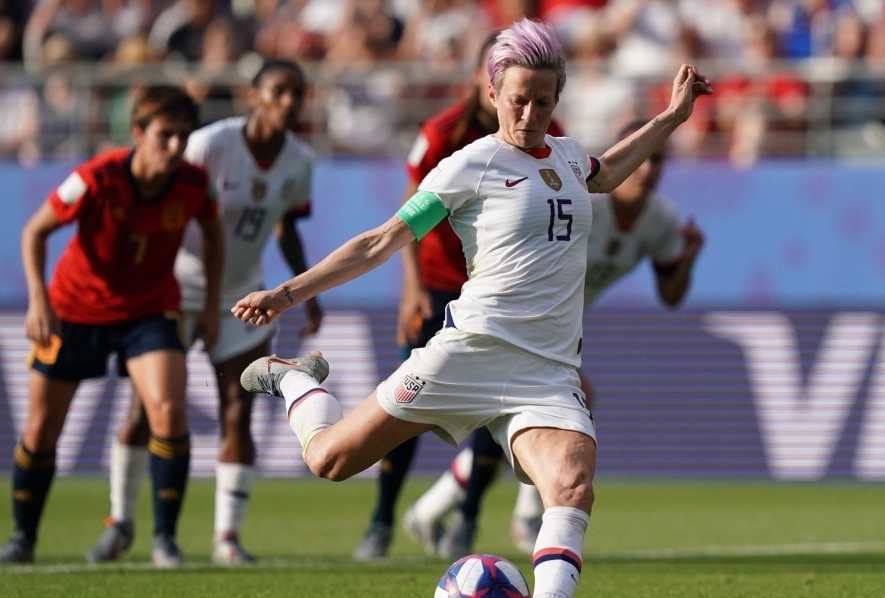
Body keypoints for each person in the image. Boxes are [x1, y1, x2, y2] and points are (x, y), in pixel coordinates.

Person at [234, 19, 710, 598]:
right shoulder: (469, 165)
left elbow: (609, 172)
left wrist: (672, 116)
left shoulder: (568, 158)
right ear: (493, 94)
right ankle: (296, 381)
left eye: (543, 100)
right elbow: (381, 241)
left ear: (557, 97)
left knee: (572, 479)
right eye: (518, 99)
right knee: (330, 460)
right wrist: (287, 293)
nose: (530, 112)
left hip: (547, 368)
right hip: (469, 352)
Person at [407, 118, 706, 559]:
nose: (647, 169)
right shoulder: (583, 199)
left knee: (536, 421)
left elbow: (671, 296)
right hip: (512, 322)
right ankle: (523, 513)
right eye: (642, 158)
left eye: (658, 160)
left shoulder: (661, 220)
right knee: (558, 412)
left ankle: (434, 510)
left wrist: (688, 260)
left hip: (557, 333)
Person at [87, 60, 320, 566]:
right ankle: (120, 523)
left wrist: (306, 291)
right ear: (252, 96)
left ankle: (227, 539)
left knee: (239, 412)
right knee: (145, 411)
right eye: (278, 91)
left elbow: (286, 226)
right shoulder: (211, 143)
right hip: (173, 290)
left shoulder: (301, 161)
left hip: (241, 294)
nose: (288, 101)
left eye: (296, 94)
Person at [352, 33, 567, 562]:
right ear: (486, 81)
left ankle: (467, 519)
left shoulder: (548, 134)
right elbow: (405, 216)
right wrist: (412, 289)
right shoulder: (443, 135)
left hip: (496, 295)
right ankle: (381, 519)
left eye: (541, 98)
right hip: (438, 285)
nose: (530, 109)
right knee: (404, 406)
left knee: (497, 411)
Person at [1, 86, 223, 566]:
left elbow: (213, 231)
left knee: (167, 411)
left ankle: (165, 540)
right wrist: (38, 301)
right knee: (41, 431)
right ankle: (22, 539)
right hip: (75, 310)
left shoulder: (194, 183)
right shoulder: (95, 177)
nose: (175, 147)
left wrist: (209, 304)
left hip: (150, 311)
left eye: (184, 137)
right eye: (165, 135)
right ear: (138, 133)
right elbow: (33, 231)